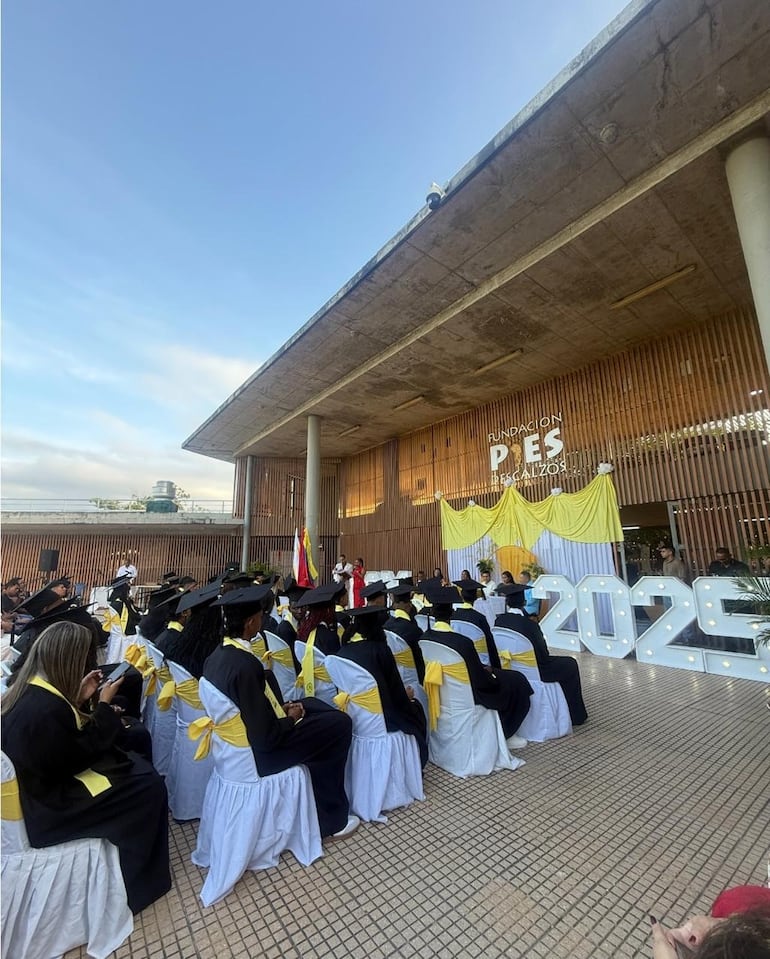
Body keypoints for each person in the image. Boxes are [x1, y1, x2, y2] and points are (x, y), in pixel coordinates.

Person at [1, 621, 171, 914]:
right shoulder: (41, 711)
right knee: (147, 787)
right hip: (51, 808)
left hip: (46, 787)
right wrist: (103, 707)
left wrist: (80, 700)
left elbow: (65, 747)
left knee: (136, 769)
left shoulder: (33, 691)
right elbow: (81, 755)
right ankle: (138, 887)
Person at [202, 585, 358, 839]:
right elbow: (266, 737)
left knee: (313, 705)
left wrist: (282, 710)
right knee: (339, 726)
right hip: (264, 754)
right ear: (251, 622)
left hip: (239, 745)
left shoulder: (216, 656)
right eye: (260, 617)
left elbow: (247, 709)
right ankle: (332, 819)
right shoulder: (246, 664)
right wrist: (290, 719)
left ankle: (315, 801)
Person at [421, 585, 532, 748]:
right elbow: (481, 681)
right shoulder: (462, 643)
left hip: (443, 689)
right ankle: (506, 732)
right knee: (517, 681)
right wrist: (493, 673)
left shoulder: (424, 639)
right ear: (452, 613)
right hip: (471, 691)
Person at [337, 605, 428, 767]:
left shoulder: (343, 652)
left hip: (356, 717)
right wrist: (406, 697)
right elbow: (395, 691)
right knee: (417, 710)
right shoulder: (381, 650)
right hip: (384, 718)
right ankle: (417, 764)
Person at [496, 583, 588, 725]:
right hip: (537, 669)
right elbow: (544, 654)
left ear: (507, 602)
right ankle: (576, 715)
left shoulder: (499, 621)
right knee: (570, 664)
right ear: (524, 602)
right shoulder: (530, 625)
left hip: (510, 667)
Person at [451, 579, 502, 669]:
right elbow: (490, 644)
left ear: (461, 596)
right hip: (479, 663)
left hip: (458, 660)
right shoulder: (479, 618)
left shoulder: (453, 616)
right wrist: (496, 668)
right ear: (475, 597)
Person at [384, 583, 426, 683]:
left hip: (392, 676)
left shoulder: (385, 626)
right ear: (409, 605)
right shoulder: (414, 631)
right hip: (415, 679)